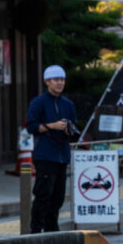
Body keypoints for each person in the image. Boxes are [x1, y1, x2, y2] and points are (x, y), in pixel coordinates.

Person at [25, 65, 78, 233]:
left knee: (58, 196)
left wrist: (70, 129)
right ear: (47, 81)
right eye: (56, 80)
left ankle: (51, 230)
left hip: (62, 153)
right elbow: (31, 127)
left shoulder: (68, 104)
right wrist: (53, 126)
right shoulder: (38, 102)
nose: (60, 83)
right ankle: (35, 231)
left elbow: (75, 128)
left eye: (62, 80)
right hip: (45, 153)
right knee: (43, 194)